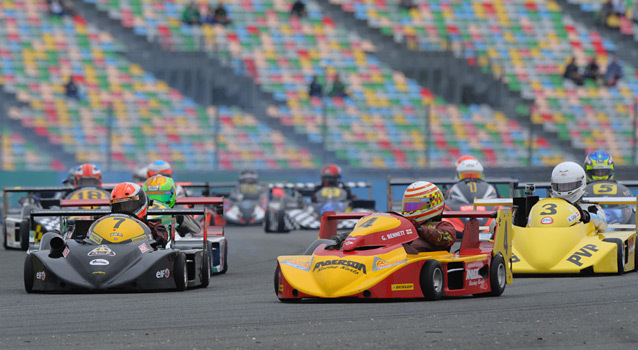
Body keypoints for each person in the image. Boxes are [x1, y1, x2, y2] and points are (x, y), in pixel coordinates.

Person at [548, 161, 607, 232]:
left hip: (581, 241)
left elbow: (603, 224)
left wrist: (585, 216)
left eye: (569, 185)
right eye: (561, 186)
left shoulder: (591, 208)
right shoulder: (547, 208)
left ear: (582, 183)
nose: (565, 189)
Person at [111, 182, 170, 247]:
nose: (124, 210)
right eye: (120, 207)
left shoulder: (154, 227)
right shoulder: (109, 226)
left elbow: (161, 242)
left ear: (142, 203)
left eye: (128, 206)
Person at [402, 181, 456, 252]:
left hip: (424, 258)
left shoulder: (442, 225)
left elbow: (447, 238)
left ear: (433, 204)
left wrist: (420, 230)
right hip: (398, 256)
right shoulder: (405, 226)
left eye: (416, 205)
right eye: (409, 206)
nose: (411, 209)